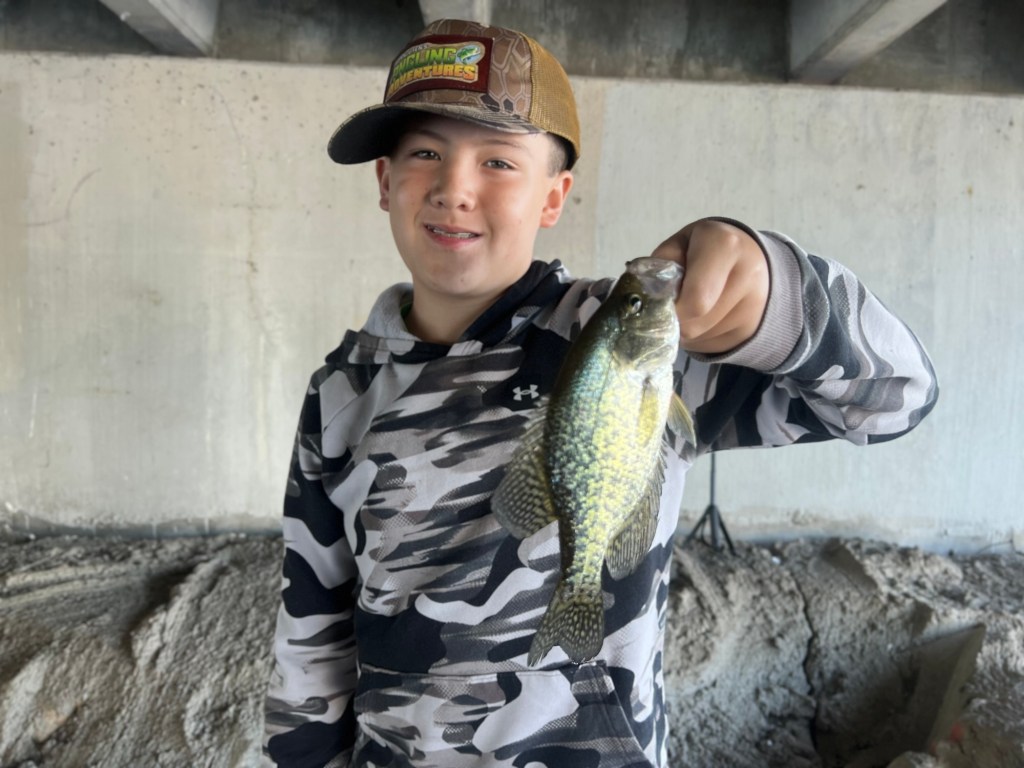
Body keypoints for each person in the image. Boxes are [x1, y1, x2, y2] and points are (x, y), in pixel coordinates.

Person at [262, 18, 938, 768]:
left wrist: (779, 298)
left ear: (553, 198)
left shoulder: (625, 344)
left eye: (498, 161)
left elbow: (895, 395)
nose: (455, 189)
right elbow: (311, 622)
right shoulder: (342, 391)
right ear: (385, 182)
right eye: (426, 153)